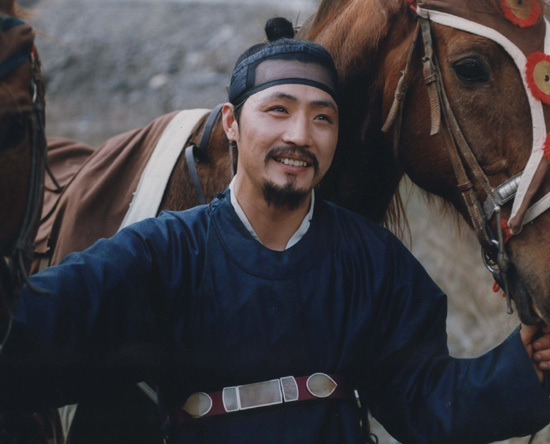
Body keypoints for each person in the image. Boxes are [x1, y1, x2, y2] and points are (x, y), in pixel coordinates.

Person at [3, 21, 550, 444]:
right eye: (278, 111)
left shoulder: (372, 261)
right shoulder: (165, 252)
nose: (300, 136)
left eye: (322, 118)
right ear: (232, 123)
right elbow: (39, 331)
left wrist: (523, 366)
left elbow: (428, 401)